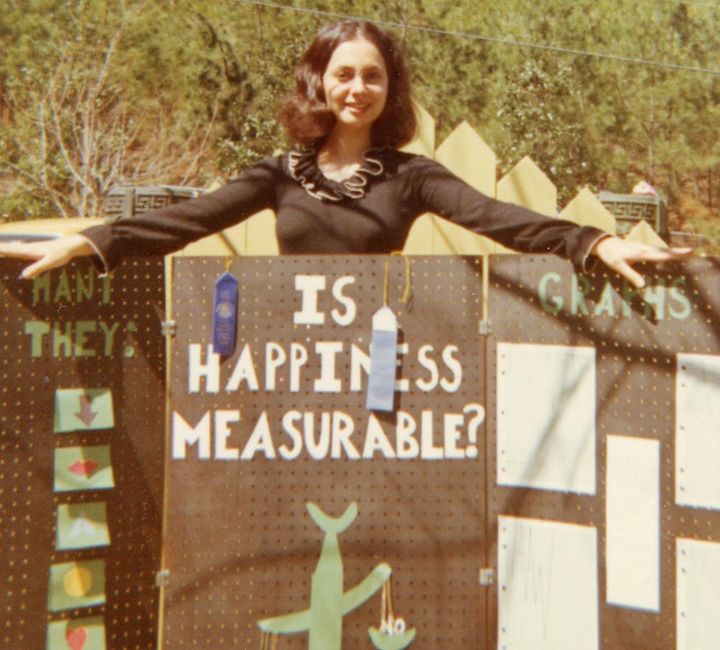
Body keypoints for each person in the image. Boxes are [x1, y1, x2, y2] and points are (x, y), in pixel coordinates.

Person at [0, 19, 689, 285]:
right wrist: (94, 243)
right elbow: (186, 221)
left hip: (381, 352)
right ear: (319, 83)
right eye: (344, 74)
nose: (357, 88)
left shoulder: (414, 177)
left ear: (390, 91)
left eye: (373, 76)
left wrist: (594, 244)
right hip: (285, 355)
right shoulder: (276, 175)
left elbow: (503, 220)